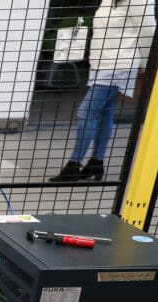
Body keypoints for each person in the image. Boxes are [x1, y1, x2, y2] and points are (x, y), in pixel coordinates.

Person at [50, 0, 155, 182]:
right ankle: (96, 162)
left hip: (119, 64)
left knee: (86, 112)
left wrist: (147, 65)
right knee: (105, 112)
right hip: (101, 63)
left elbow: (148, 31)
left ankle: (74, 164)